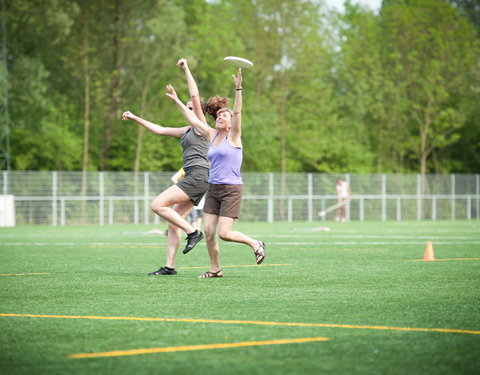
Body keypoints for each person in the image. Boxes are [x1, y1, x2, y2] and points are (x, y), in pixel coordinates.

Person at [166, 63, 266, 279]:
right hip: (213, 189)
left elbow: (238, 111)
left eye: (224, 116)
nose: (220, 117)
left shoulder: (234, 136)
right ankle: (215, 270)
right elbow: (192, 118)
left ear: (230, 124)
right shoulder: (211, 135)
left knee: (225, 233)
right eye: (219, 115)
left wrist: (238, 89)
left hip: (231, 189)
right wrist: (176, 100)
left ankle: (255, 243)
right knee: (209, 233)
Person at [120, 98, 209, 276]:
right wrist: (135, 118)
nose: (187, 110)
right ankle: (169, 267)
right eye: (186, 107)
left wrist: (176, 96)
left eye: (191, 108)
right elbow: (160, 130)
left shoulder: (202, 127)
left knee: (157, 204)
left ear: (201, 112)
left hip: (198, 175)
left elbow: (194, 93)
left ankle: (193, 232)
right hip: (194, 176)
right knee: (173, 223)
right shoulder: (187, 130)